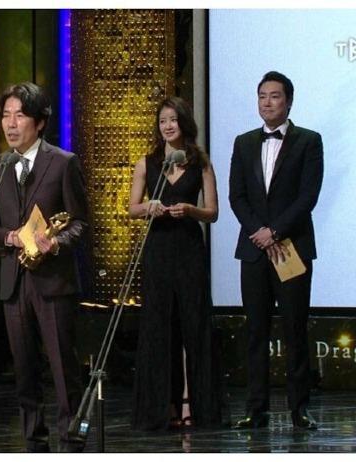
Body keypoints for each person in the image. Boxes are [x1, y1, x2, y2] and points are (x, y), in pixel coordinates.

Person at [0, 82, 88, 452]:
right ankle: (33, 442)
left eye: (20, 116)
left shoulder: (63, 162)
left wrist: (57, 243)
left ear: (39, 122)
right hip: (14, 280)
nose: (10, 124)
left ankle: (71, 439)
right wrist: (8, 237)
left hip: (53, 281)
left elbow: (80, 222)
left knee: (62, 366)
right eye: (6, 115)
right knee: (24, 369)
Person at [229, 71, 323, 430]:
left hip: (291, 247)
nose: (267, 103)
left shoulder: (308, 141)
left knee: (294, 329)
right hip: (254, 250)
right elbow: (237, 196)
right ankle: (256, 408)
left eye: (274, 96)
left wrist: (276, 232)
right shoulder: (243, 142)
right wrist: (259, 232)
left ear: (289, 101)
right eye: (262, 96)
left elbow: (308, 196)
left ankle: (299, 409)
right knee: (256, 331)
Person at [129, 96, 223, 430]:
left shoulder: (201, 161)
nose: (168, 126)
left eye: (173, 120)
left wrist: (191, 210)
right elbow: (132, 208)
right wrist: (149, 207)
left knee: (193, 325)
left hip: (188, 248)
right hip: (158, 249)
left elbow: (213, 212)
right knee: (158, 326)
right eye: (162, 121)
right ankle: (161, 406)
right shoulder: (147, 163)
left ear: (184, 122)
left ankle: (194, 403)